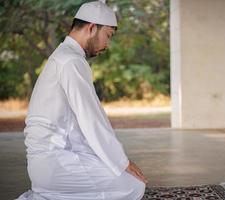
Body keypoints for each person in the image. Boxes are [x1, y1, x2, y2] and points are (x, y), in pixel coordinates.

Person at [16, 1, 147, 199]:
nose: (107, 45)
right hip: (55, 163)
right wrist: (123, 162)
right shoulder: (71, 61)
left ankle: (50, 193)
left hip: (48, 162)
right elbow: (91, 119)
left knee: (113, 173)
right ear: (92, 27)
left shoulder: (64, 56)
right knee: (134, 185)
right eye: (108, 36)